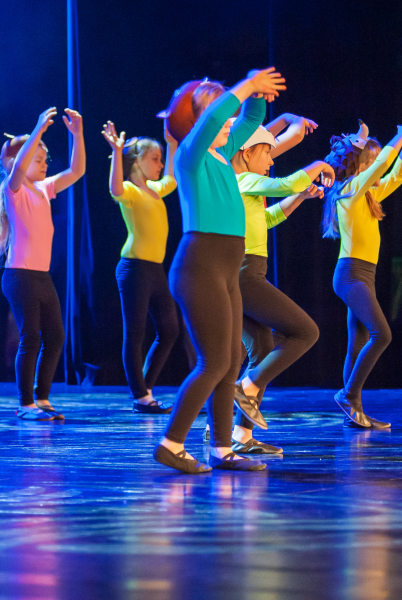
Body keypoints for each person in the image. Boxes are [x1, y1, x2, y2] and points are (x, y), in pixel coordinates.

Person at [153, 67, 286, 473]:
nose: (228, 120)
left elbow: (249, 119)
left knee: (229, 361)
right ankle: (171, 443)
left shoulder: (222, 156)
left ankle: (222, 449)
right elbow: (215, 119)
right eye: (218, 113)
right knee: (212, 362)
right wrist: (246, 85)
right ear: (198, 120)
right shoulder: (190, 155)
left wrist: (257, 97)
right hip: (200, 264)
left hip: (226, 265)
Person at [202, 119, 334, 453]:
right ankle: (246, 385)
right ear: (246, 154)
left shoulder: (247, 186)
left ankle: (240, 435)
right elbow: (285, 183)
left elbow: (270, 217)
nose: (271, 161)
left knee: (262, 348)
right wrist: (319, 164)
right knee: (306, 332)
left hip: (245, 273)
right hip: (245, 275)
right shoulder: (242, 179)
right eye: (267, 154)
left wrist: (301, 196)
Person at [0, 107, 86, 421]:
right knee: (31, 337)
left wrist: (78, 135)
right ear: (18, 162)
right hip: (20, 276)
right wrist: (38, 130)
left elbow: (76, 171)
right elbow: (18, 168)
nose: (44, 165)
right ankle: (25, 403)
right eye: (37, 160)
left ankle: (41, 398)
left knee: (55, 337)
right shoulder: (13, 189)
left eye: (45, 160)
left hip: (41, 276)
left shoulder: (43, 188)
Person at [322, 121, 402, 427]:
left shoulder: (368, 194)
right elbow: (385, 164)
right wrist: (399, 135)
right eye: (371, 161)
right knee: (382, 334)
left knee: (358, 342)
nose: (376, 167)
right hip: (350, 275)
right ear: (360, 165)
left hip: (364, 276)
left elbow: (398, 173)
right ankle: (348, 395)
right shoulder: (349, 190)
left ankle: (354, 410)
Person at [102, 121, 179, 413]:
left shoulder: (156, 189)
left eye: (161, 159)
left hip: (155, 270)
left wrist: (171, 143)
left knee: (169, 330)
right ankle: (141, 396)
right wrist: (116, 152)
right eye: (155, 159)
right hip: (134, 269)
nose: (160, 164)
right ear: (137, 162)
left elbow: (172, 178)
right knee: (135, 333)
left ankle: (144, 388)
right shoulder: (131, 190)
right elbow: (115, 189)